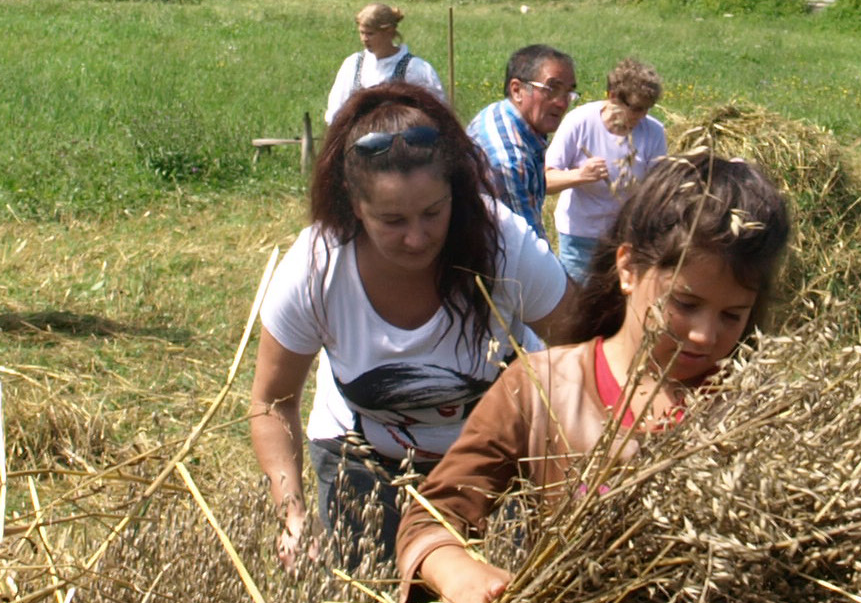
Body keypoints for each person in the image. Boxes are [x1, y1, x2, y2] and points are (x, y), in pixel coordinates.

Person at [396, 153, 792, 603]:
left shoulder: (758, 417)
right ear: (629, 269)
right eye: (684, 305)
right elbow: (432, 513)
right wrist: (457, 571)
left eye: (732, 315)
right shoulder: (543, 387)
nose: (706, 335)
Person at [250, 82, 578, 574]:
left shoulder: (501, 244)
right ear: (354, 208)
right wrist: (293, 512)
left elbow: (584, 348)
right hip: (360, 463)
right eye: (392, 220)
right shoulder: (316, 267)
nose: (416, 237)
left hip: (495, 461)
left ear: (456, 194)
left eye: (432, 213)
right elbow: (272, 403)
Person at [547, 57, 667, 283]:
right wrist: (580, 175)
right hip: (579, 237)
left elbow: (658, 191)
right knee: (579, 305)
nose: (641, 117)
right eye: (635, 108)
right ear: (612, 97)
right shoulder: (579, 122)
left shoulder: (653, 132)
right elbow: (545, 180)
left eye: (647, 109)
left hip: (625, 237)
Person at [467, 44, 578, 240]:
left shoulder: (504, 115)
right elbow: (528, 250)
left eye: (568, 92)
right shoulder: (508, 160)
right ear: (517, 90)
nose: (562, 103)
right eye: (552, 89)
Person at [323, 3, 448, 125]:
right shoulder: (353, 65)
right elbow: (336, 111)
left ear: (389, 31)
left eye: (370, 34)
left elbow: (436, 114)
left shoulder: (415, 69)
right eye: (362, 33)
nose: (364, 39)